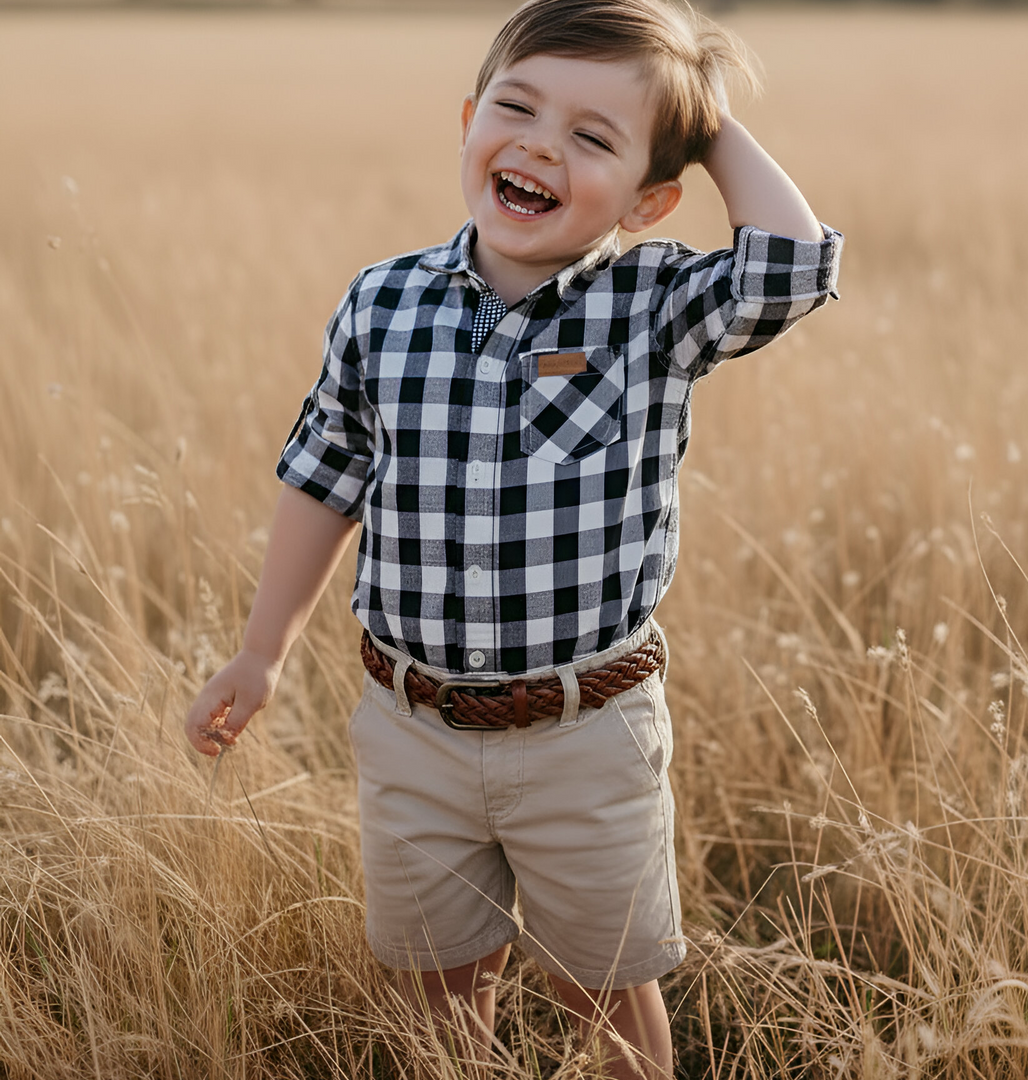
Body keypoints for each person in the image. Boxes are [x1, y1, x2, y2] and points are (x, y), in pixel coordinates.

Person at [185, 1, 842, 1075]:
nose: (541, 144)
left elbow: (793, 268)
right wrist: (262, 652)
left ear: (651, 199)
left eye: (594, 137)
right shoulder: (383, 303)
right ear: (468, 121)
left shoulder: (652, 304)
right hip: (414, 726)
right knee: (438, 993)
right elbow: (324, 476)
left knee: (605, 992)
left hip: (587, 731)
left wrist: (703, 110)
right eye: (518, 107)